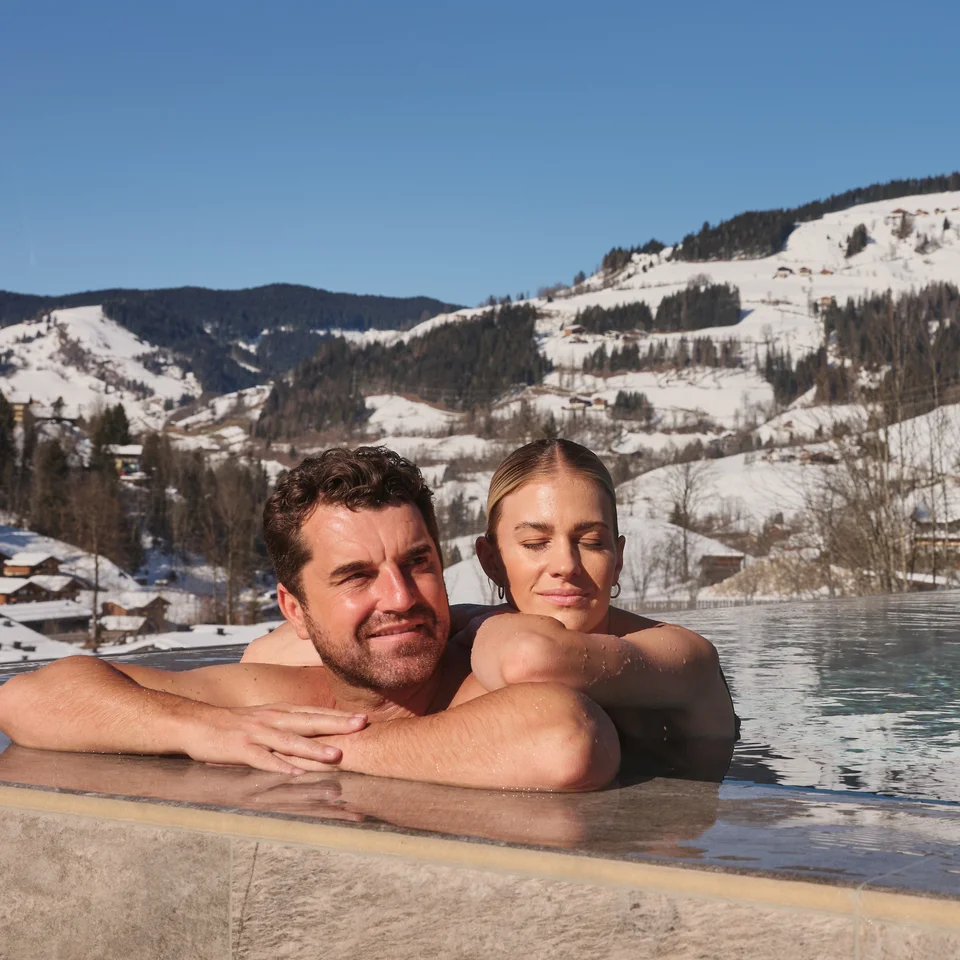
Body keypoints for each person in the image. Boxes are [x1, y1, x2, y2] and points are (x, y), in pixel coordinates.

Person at [0, 447, 621, 792]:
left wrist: (324, 753)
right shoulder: (281, 692)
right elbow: (30, 698)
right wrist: (204, 728)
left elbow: (565, 738)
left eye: (418, 563)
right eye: (356, 577)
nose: (400, 596)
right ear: (294, 610)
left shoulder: (481, 666)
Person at [245, 439, 738, 765]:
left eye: (590, 540)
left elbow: (535, 659)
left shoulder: (681, 654)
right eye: (534, 543)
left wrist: (467, 624)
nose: (566, 564)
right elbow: (262, 655)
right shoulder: (475, 638)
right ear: (491, 561)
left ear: (619, 556)